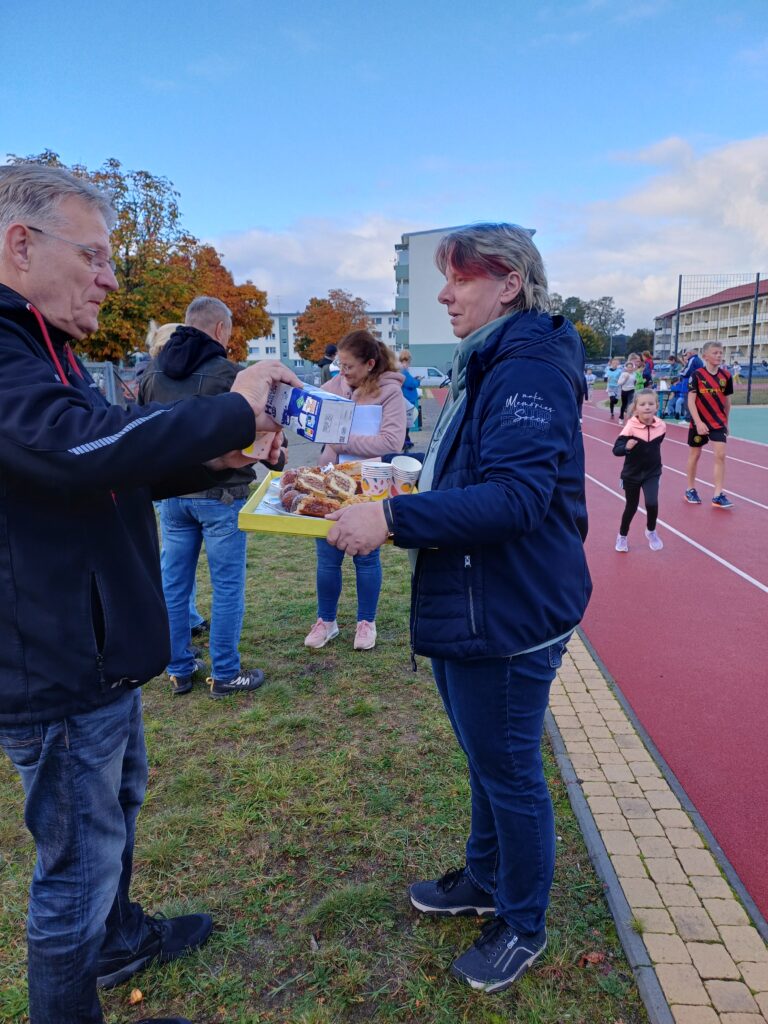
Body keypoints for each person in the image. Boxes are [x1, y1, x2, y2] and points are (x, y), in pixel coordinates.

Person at [0, 163, 299, 1024]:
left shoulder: (45, 348)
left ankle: (121, 938)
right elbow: (71, 451)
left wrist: (213, 457)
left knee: (115, 815)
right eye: (91, 255)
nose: (108, 277)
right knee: (76, 868)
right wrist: (237, 409)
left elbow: (96, 471)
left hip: (92, 648)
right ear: (20, 244)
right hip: (52, 662)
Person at [324, 222, 591, 992]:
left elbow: (515, 498)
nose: (444, 293)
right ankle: (484, 878)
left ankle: (522, 921)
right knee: (486, 760)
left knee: (508, 772)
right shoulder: (492, 361)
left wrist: (396, 519)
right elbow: (474, 477)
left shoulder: (528, 367)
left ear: (508, 283)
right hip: (477, 595)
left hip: (508, 607)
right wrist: (407, 494)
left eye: (460, 278)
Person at [139, 297, 285, 698]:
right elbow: (257, 440)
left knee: (174, 583)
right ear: (221, 330)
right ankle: (224, 672)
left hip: (171, 495)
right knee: (226, 585)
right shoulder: (232, 376)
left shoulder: (153, 372)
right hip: (221, 494)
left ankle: (179, 668)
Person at [304, 330, 406, 652]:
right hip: (332, 480)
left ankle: (366, 622)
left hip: (368, 484)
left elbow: (391, 443)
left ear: (370, 364)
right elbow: (313, 412)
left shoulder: (390, 393)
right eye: (339, 365)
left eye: (348, 367)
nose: (342, 373)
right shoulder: (336, 387)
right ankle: (326, 621)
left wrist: (342, 441)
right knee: (327, 557)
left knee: (365, 556)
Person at [145, 320, 208, 638]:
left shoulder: (151, 376)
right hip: (197, 484)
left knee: (175, 565)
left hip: (167, 482)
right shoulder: (194, 373)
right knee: (177, 564)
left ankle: (185, 625)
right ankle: (186, 621)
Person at [612, 389, 665, 552]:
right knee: (631, 507)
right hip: (632, 475)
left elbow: (656, 446)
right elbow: (616, 450)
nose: (647, 407)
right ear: (636, 408)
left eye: (651, 404)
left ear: (657, 406)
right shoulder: (630, 427)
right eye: (642, 404)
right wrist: (626, 447)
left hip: (652, 472)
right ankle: (622, 536)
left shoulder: (661, 426)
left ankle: (651, 531)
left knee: (652, 503)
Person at [685, 342, 734, 508]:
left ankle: (718, 494)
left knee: (720, 456)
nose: (719, 355)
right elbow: (691, 400)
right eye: (715, 353)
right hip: (700, 422)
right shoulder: (697, 375)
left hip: (718, 422)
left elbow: (727, 401)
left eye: (721, 352)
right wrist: (698, 422)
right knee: (695, 455)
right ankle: (690, 489)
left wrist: (726, 422)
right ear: (705, 356)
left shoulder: (726, 376)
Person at [398, 347, 420, 448]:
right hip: (408, 400)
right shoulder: (404, 371)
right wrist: (418, 381)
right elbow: (410, 384)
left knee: (406, 421)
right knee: (407, 421)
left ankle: (406, 439)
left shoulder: (401, 371)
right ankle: (405, 441)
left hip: (406, 399)